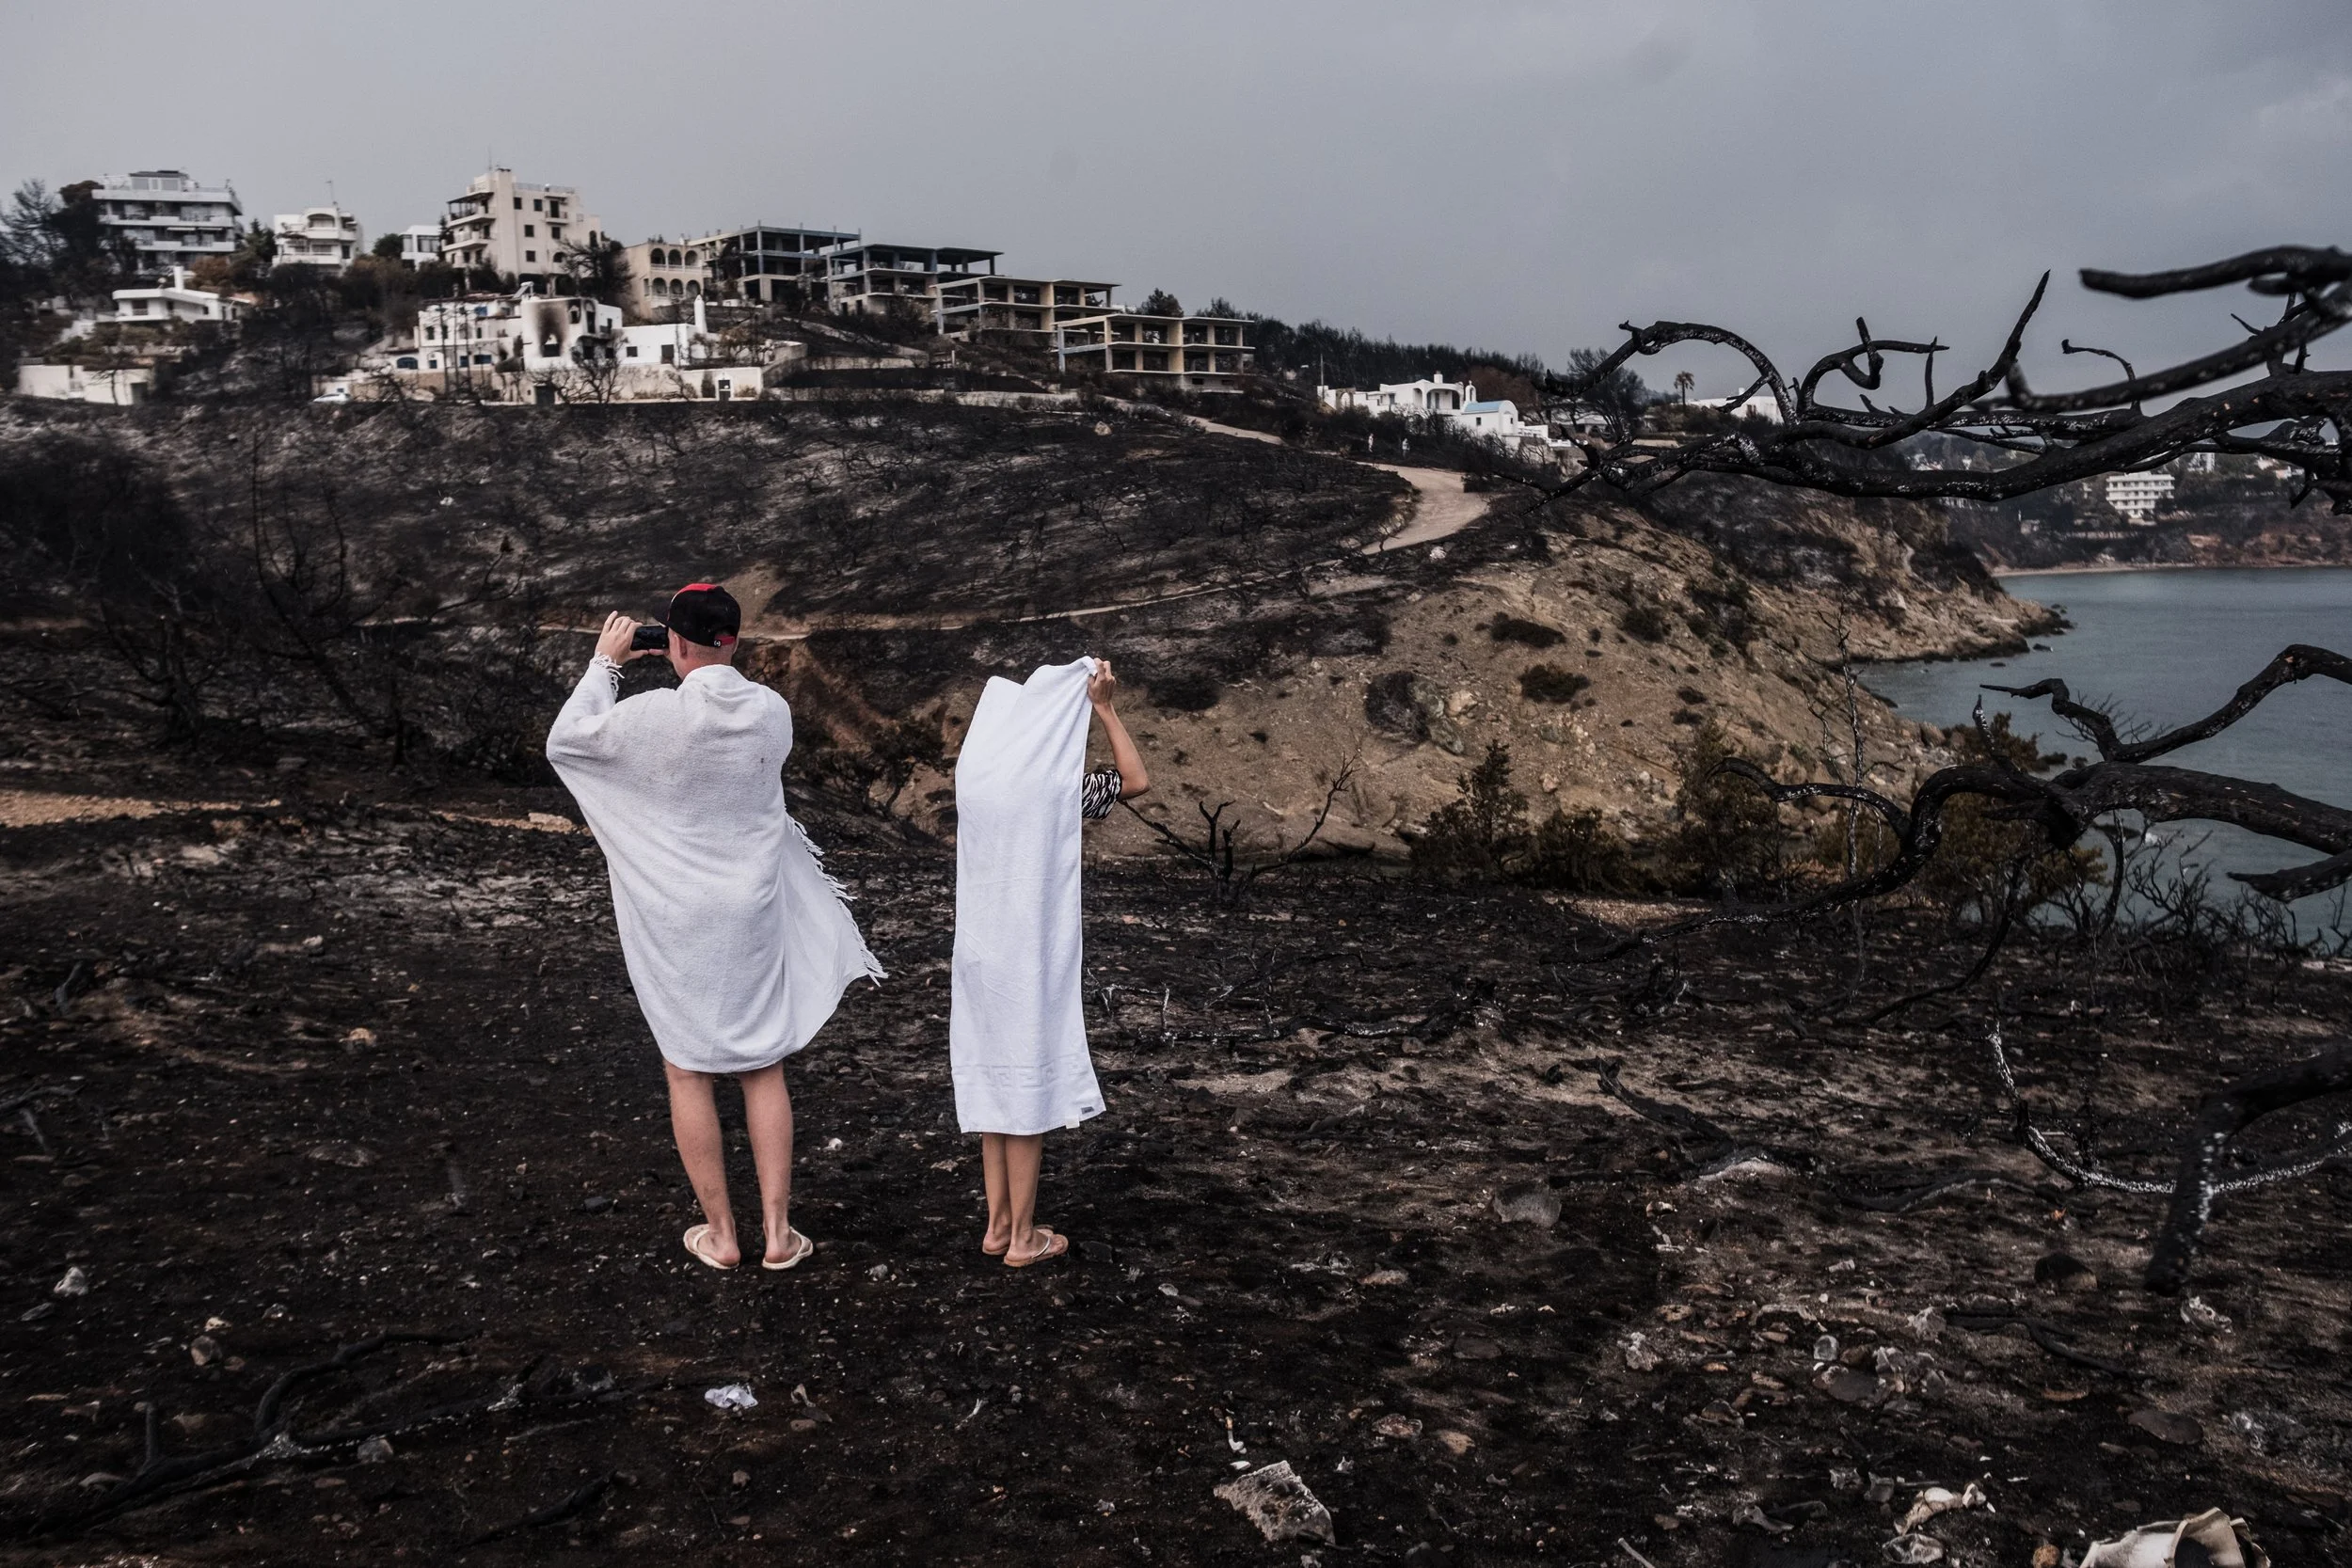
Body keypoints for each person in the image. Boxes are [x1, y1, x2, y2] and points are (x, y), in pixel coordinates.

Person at [545, 583, 882, 1273]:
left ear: (669, 639)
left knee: (687, 1065)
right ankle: (780, 1233)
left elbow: (569, 742)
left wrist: (607, 665)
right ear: (735, 639)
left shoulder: (654, 716)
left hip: (679, 916)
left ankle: (724, 1234)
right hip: (751, 907)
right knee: (762, 1064)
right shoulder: (773, 712)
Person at [948, 657, 1149, 1267]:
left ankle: (997, 1222)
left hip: (978, 949)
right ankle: (1024, 1237)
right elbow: (1135, 780)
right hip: (1026, 952)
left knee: (991, 1082)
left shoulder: (977, 776)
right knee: (1026, 1084)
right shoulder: (1056, 789)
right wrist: (1104, 706)